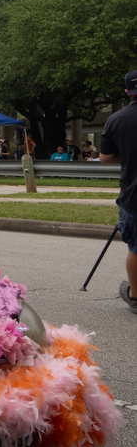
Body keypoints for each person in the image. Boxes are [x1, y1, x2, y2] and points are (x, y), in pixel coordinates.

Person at [101, 71, 137, 313]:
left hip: (134, 196)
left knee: (136, 247)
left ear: (127, 92)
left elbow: (105, 157)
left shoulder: (117, 119)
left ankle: (135, 295)